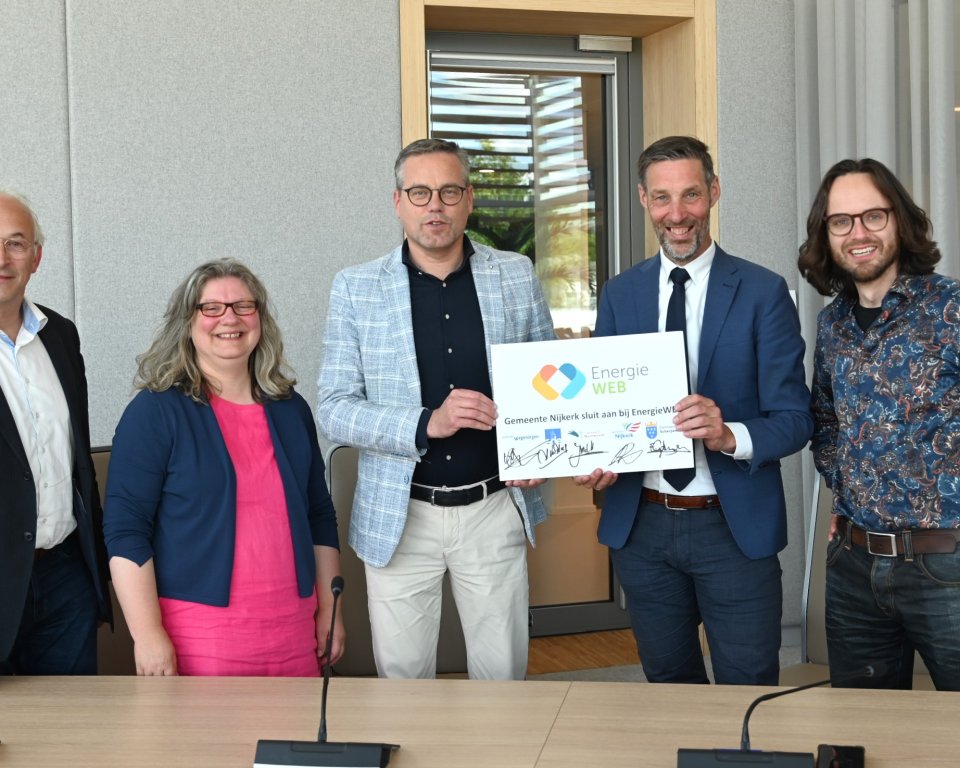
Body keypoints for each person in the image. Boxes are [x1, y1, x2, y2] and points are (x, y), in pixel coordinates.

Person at [576, 136, 812, 685]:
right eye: (662, 198)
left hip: (732, 528)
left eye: (690, 196)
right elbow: (602, 408)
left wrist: (729, 434)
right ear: (643, 200)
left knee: (748, 683)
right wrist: (597, 455)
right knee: (667, 683)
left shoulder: (763, 291)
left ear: (714, 192)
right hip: (643, 526)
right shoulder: (620, 294)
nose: (677, 215)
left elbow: (795, 418)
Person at [317, 138, 554, 680]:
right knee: (404, 682)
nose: (435, 207)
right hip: (400, 516)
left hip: (494, 506)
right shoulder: (356, 288)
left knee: (504, 678)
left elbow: (550, 384)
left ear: (469, 199)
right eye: (420, 192)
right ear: (397, 201)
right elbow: (333, 408)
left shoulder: (515, 275)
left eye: (449, 191)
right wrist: (427, 423)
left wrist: (545, 448)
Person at [103, 259, 343, 676]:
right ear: (187, 323)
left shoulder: (290, 409)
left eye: (242, 306)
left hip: (293, 628)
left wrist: (332, 609)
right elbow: (126, 531)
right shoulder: (156, 412)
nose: (228, 318)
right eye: (210, 307)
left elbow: (319, 514)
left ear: (260, 320)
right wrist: (147, 635)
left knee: (292, 741)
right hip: (201, 633)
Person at [799, 157, 960, 691]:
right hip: (854, 567)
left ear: (900, 220)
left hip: (947, 566)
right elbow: (825, 421)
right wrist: (850, 490)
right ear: (827, 234)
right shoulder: (833, 324)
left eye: (873, 216)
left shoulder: (951, 309)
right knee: (862, 732)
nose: (858, 233)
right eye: (841, 221)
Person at [0, 191, 112, 675]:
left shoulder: (60, 335)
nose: (3, 259)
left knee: (71, 738)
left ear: (37, 258)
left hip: (66, 577)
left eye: (16, 243)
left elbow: (76, 462)